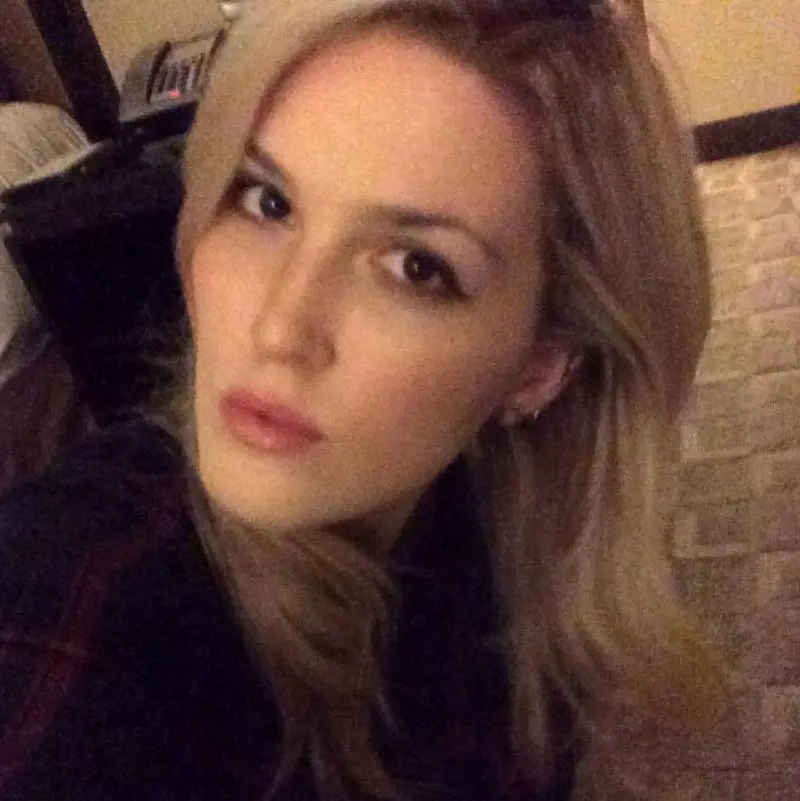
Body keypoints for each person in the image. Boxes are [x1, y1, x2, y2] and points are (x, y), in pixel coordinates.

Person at [0, 1, 729, 799]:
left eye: (417, 266)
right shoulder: (79, 593)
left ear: (539, 366)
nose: (280, 328)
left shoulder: (514, 551)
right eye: (266, 201)